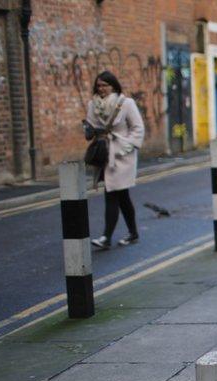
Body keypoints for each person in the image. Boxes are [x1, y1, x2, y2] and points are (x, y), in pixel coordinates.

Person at [84, 71, 145, 249]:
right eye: (98, 85)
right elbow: (91, 129)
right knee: (122, 196)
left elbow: (138, 128)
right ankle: (133, 233)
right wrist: (88, 130)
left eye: (105, 85)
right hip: (104, 154)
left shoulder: (126, 103)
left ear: (113, 85)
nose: (101, 88)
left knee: (111, 193)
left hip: (122, 155)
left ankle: (106, 237)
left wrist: (126, 148)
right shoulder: (92, 105)